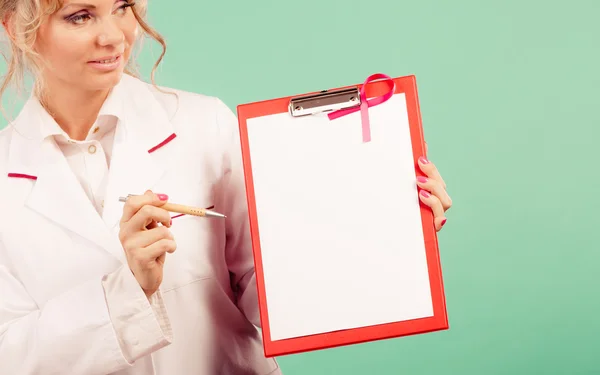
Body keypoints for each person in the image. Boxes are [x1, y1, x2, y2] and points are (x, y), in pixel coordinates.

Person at [0, 0, 453, 374]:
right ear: (16, 26)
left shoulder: (204, 125)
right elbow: (13, 355)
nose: (115, 37)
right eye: (80, 16)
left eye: (123, 7)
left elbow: (274, 299)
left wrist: (389, 234)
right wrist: (129, 289)